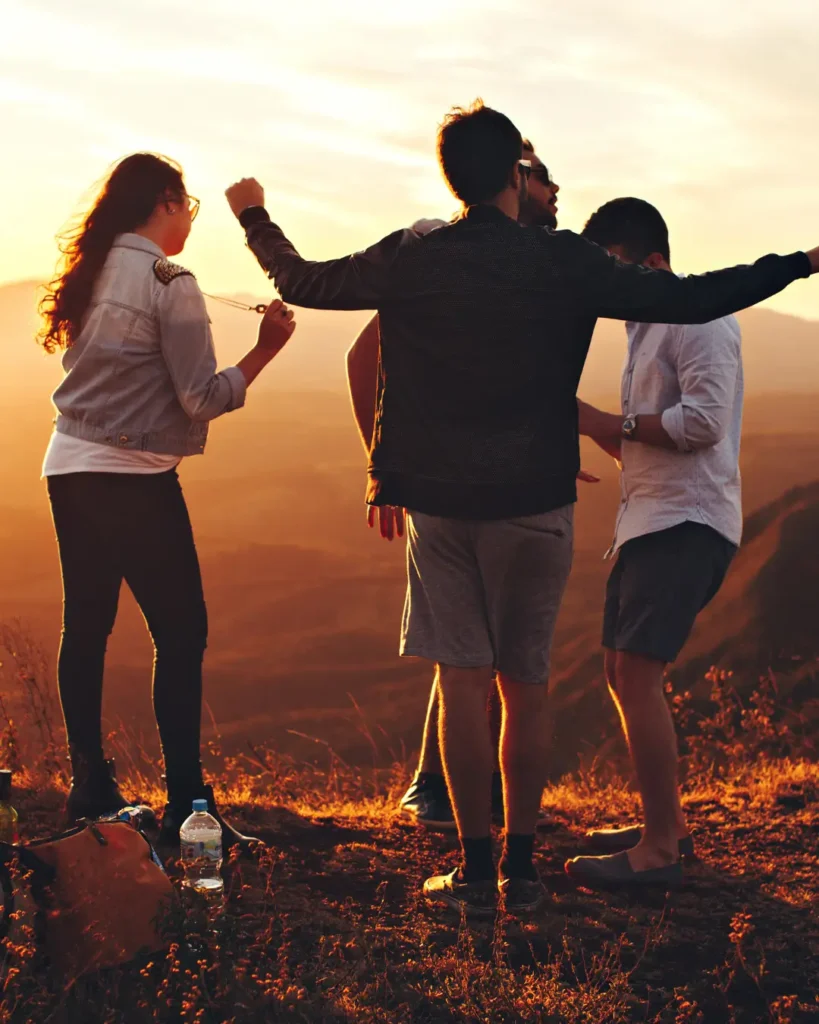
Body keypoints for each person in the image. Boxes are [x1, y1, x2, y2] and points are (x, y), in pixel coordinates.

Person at [225, 99, 815, 916]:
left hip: (439, 503)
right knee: (525, 686)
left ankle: (470, 874)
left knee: (462, 682)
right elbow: (693, 295)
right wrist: (802, 260)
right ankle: (523, 873)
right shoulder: (560, 261)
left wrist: (254, 215)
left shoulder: (415, 253)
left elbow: (304, 282)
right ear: (514, 174)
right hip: (536, 502)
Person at [39, 152, 296, 850]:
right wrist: (266, 349)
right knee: (181, 634)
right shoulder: (170, 282)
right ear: (165, 201)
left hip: (68, 465)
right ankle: (190, 807)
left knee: (86, 626)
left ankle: (90, 788)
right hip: (135, 475)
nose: (189, 221)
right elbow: (202, 397)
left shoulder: (93, 269)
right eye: (188, 207)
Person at [345, 140, 565, 831]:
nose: (557, 192)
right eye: (543, 177)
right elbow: (363, 355)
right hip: (449, 485)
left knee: (474, 654)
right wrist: (385, 467)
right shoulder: (440, 253)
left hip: (496, 479)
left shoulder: (519, 267)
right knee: (471, 656)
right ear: (511, 180)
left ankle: (457, 800)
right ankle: (440, 793)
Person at [564, 198, 744, 887]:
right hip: (649, 519)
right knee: (620, 672)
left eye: (610, 268)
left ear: (653, 262)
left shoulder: (695, 318)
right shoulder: (644, 328)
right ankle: (663, 824)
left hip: (685, 523)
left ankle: (660, 850)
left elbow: (700, 424)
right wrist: (586, 428)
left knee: (636, 675)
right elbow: (646, 439)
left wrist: (607, 419)